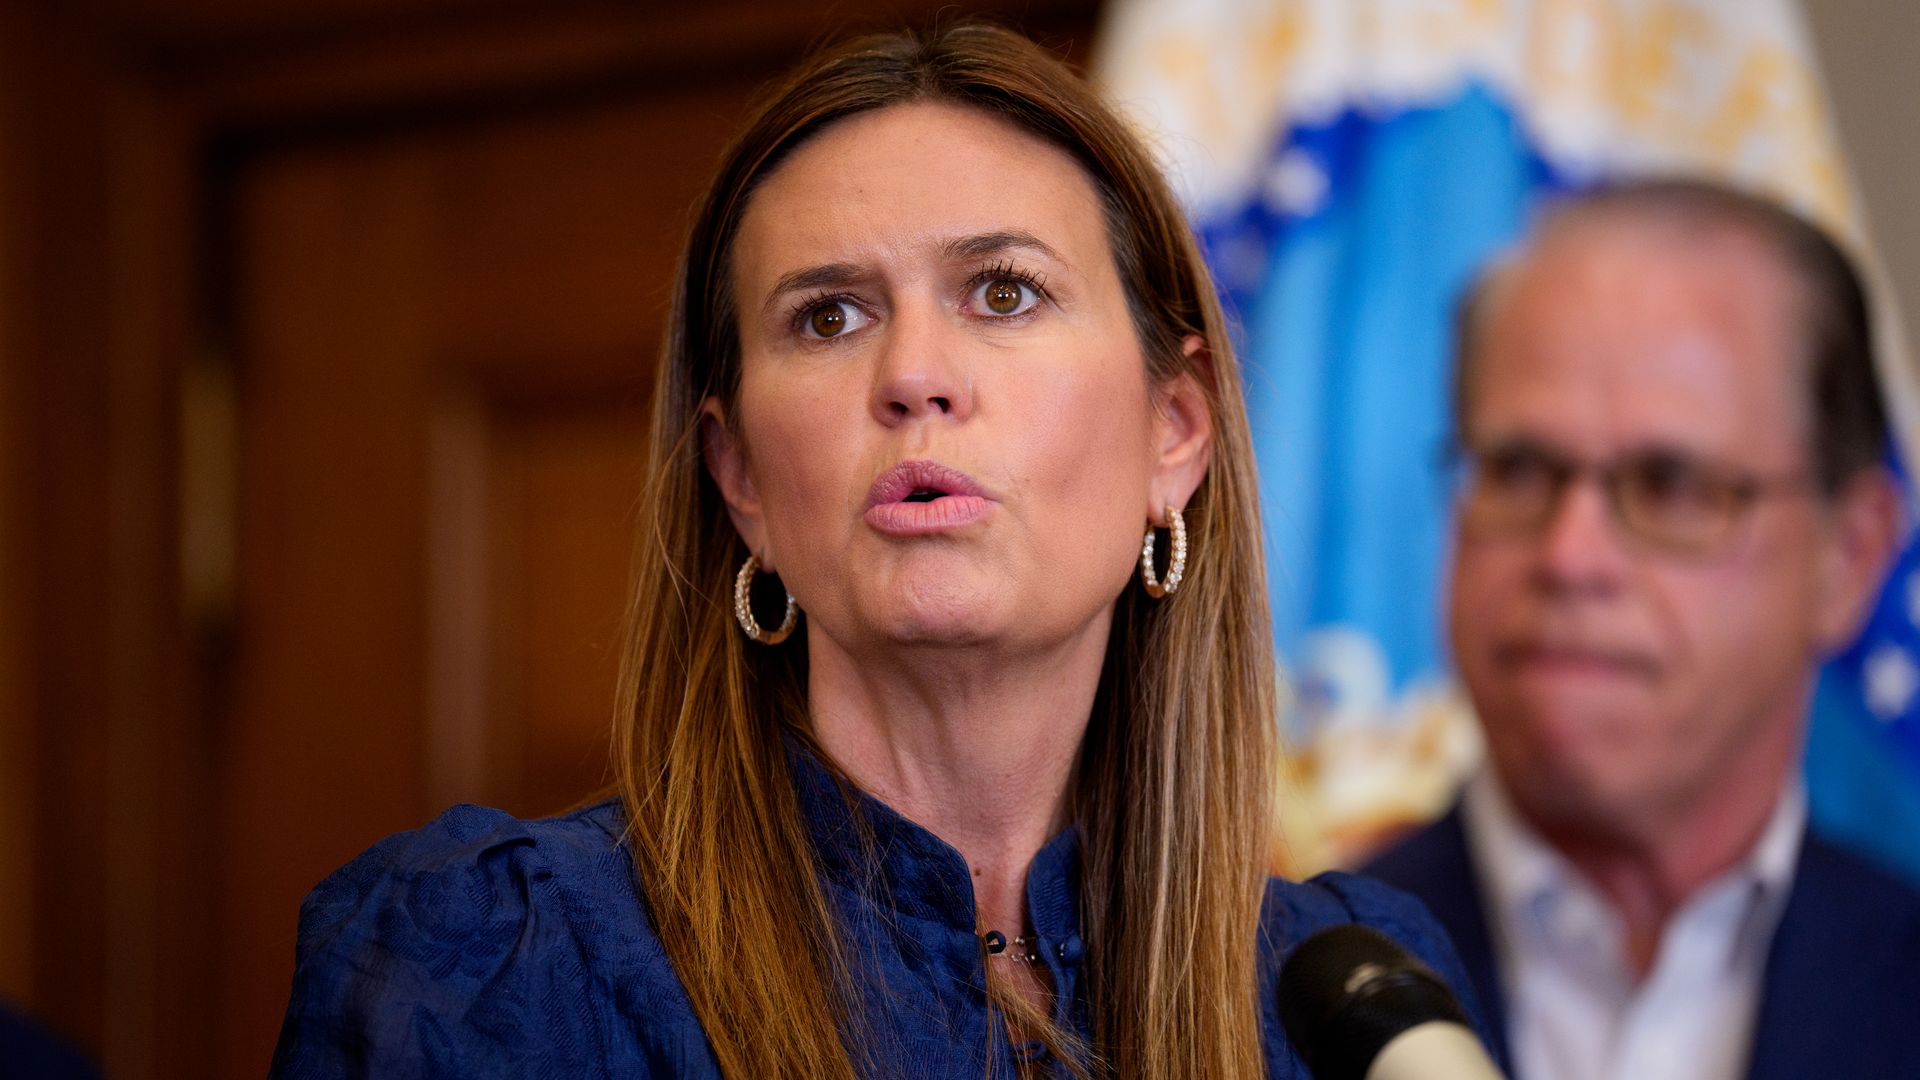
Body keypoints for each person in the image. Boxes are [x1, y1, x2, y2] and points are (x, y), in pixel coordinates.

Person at [269, 23, 1485, 1080]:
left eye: (1003, 293)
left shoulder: (1347, 1008)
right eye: (830, 316)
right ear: (738, 476)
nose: (912, 377)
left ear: (1174, 433)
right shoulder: (497, 960)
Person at [1365, 179, 1920, 1080]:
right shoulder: (1256, 990)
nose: (1570, 557)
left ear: (1849, 556)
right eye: (1518, 469)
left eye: (1670, 485)